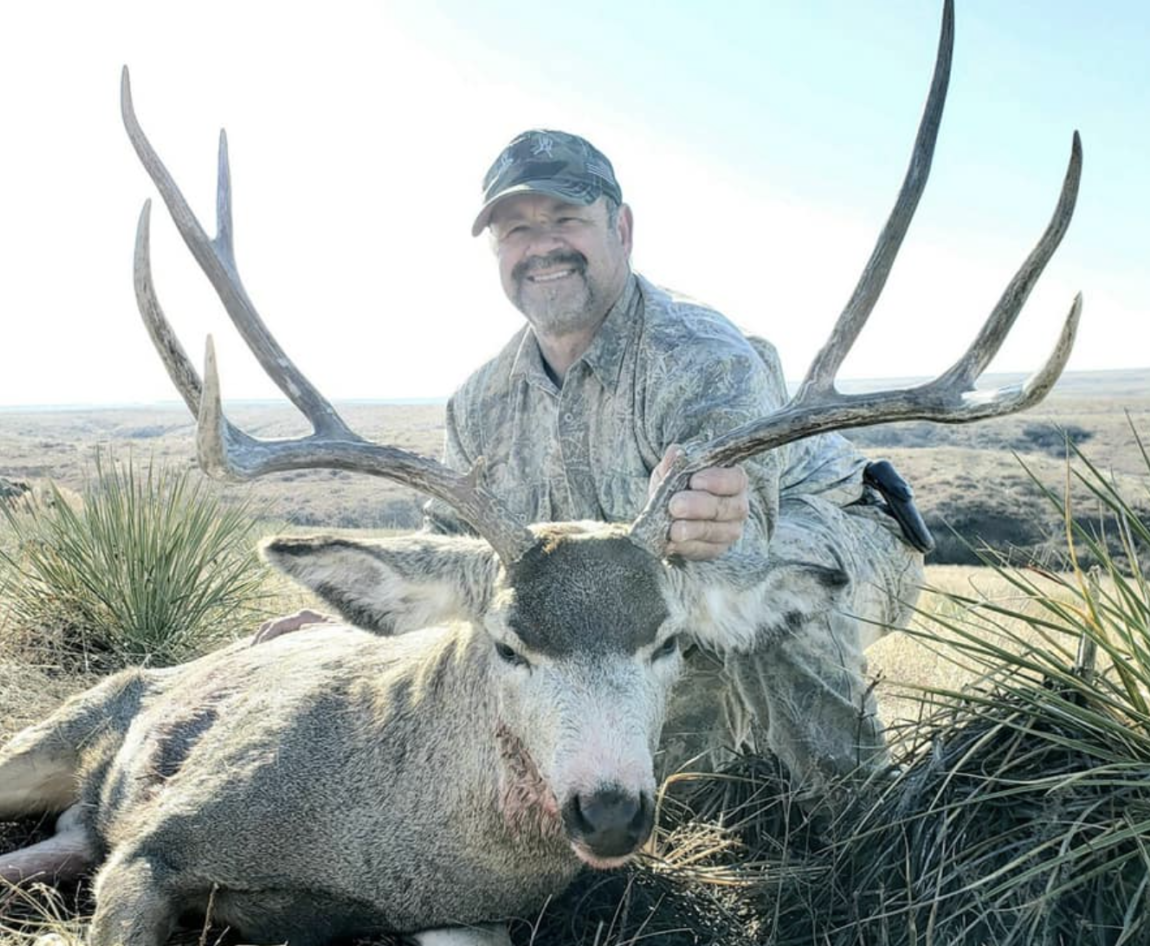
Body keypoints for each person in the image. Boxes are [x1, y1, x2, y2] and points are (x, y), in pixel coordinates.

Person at [261, 129, 926, 794]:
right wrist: (347, 633)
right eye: (517, 228)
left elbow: (736, 547)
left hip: (834, 539)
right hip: (632, 605)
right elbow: (457, 561)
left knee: (755, 614)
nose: (541, 244)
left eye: (566, 218)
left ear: (622, 227)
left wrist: (716, 514)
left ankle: (866, 829)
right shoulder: (478, 404)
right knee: (649, 759)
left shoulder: (702, 356)